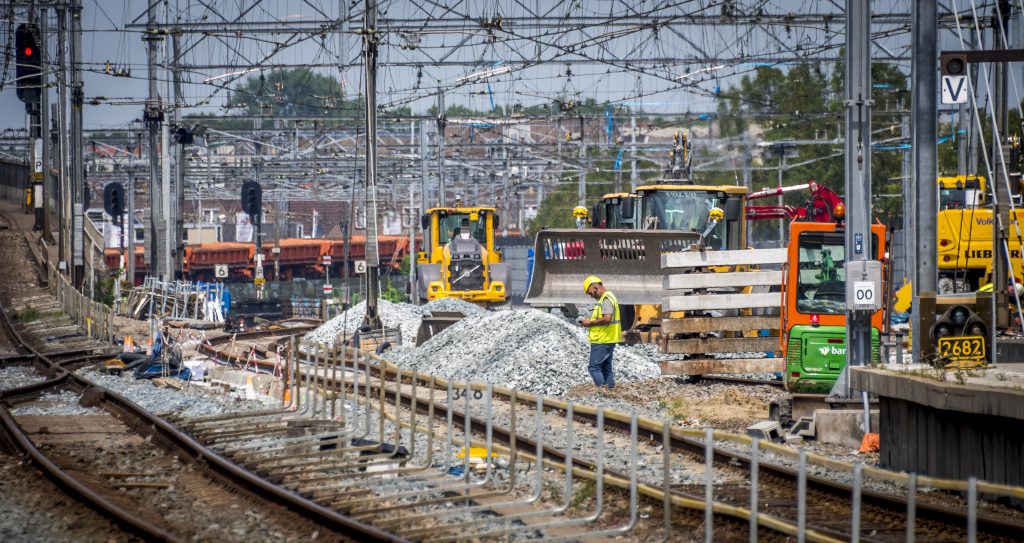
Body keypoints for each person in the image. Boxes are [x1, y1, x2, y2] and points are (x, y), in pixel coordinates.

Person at [579, 275, 621, 389]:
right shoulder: (610, 297)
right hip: (608, 338)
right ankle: (611, 391)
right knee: (606, 368)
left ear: (596, 287)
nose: (591, 296)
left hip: (602, 339)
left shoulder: (606, 299)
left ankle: (603, 392)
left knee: (594, 368)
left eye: (590, 293)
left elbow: (607, 319)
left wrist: (590, 323)